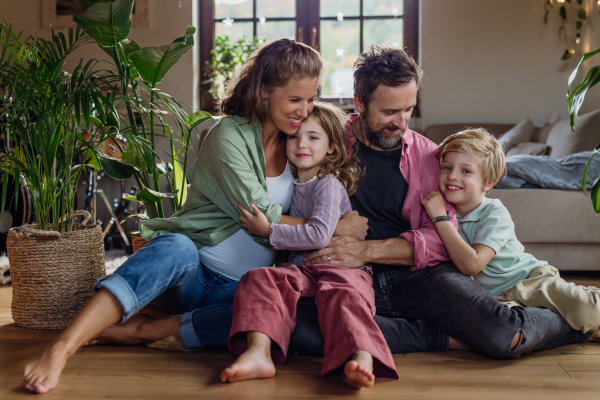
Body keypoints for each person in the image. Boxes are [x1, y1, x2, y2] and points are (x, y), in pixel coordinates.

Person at [21, 39, 365, 394]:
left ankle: (146, 331)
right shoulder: (228, 134)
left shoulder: (298, 146)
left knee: (279, 316)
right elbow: (262, 215)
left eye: (310, 99)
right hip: (193, 275)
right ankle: (61, 349)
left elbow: (313, 202)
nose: (304, 109)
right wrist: (333, 229)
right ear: (264, 92)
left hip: (242, 291)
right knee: (177, 248)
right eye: (294, 99)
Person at [291, 45, 592, 359]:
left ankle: (580, 322)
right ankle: (446, 337)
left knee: (503, 334)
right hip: (344, 277)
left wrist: (366, 249)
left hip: (418, 275)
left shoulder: (429, 156)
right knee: (303, 332)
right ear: (359, 103)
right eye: (389, 112)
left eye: (408, 109)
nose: (402, 122)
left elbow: (440, 237)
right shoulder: (322, 142)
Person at [220, 102, 398, 389]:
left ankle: (361, 357)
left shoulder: (327, 184)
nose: (302, 143)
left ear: (331, 147)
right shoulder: (289, 184)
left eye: (313, 137)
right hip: (302, 270)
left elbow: (317, 235)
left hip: (341, 268)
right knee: (260, 278)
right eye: (294, 136)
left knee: (344, 298)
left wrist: (269, 231)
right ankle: (258, 352)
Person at [420, 128, 600, 336]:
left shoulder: (494, 213)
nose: (452, 176)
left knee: (588, 310)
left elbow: (471, 264)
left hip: (529, 281)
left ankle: (586, 303)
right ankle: (581, 324)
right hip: (496, 298)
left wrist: (440, 219)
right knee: (502, 331)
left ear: (488, 183)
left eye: (466, 171)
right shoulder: (439, 209)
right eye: (447, 167)